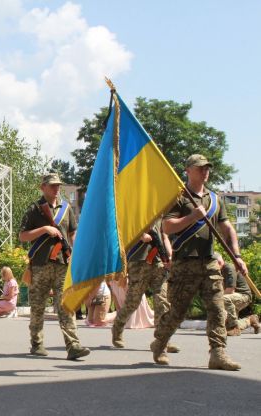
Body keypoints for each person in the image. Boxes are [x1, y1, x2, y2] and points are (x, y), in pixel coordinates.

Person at [152, 154, 247, 370]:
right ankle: (160, 342)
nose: (205, 171)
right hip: (184, 263)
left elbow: (227, 228)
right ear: (188, 170)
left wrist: (237, 256)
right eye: (200, 168)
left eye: (207, 168)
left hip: (210, 262)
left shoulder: (214, 199)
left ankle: (218, 353)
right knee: (177, 312)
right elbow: (167, 227)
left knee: (217, 308)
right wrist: (192, 217)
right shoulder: (178, 197)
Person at [19, 173, 90, 360]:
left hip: (62, 264)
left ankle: (73, 345)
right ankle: (37, 343)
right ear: (42, 187)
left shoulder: (67, 209)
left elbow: (73, 233)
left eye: (58, 185)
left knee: (65, 305)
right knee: (38, 306)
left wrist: (77, 252)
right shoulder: (35, 209)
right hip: (41, 265)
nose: (56, 188)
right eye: (52, 185)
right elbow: (23, 236)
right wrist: (44, 229)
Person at [111, 221, 179, 353]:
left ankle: (163, 340)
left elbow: (164, 236)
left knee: (162, 301)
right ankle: (117, 327)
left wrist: (170, 255)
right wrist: (140, 234)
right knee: (133, 302)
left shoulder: (159, 213)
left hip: (158, 262)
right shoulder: (136, 210)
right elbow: (123, 230)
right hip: (138, 261)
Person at [215, 253, 260, 336]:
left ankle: (234, 327)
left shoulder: (229, 268)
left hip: (243, 295)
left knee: (222, 299)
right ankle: (251, 320)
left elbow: (230, 290)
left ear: (219, 262)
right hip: (232, 297)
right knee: (225, 327)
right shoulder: (219, 271)